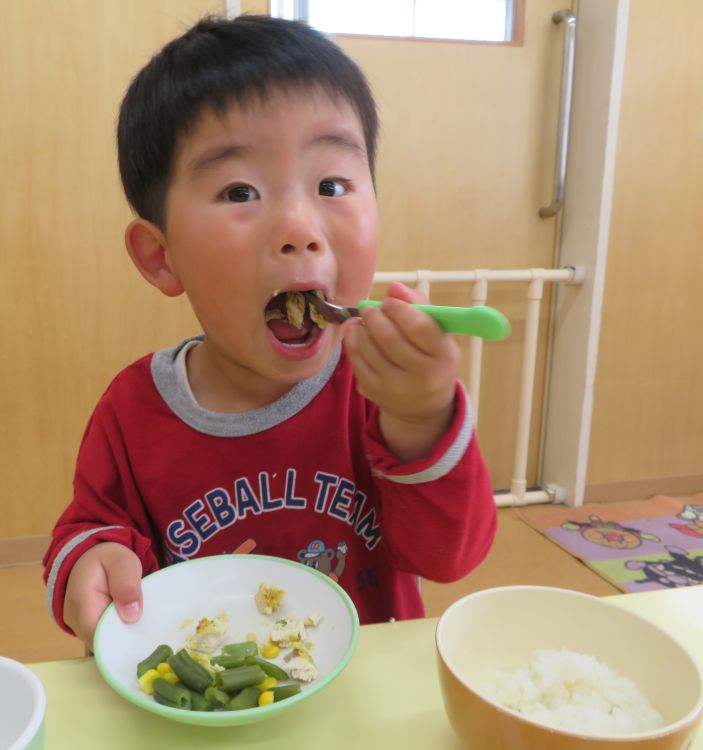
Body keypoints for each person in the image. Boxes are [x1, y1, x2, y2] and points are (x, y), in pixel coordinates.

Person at [43, 14, 497, 650]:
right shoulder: (132, 412)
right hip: (213, 706)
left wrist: (422, 418)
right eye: (238, 191)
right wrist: (92, 564)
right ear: (160, 256)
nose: (299, 226)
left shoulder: (378, 392)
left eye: (332, 183)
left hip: (358, 692)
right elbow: (90, 533)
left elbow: (450, 559)